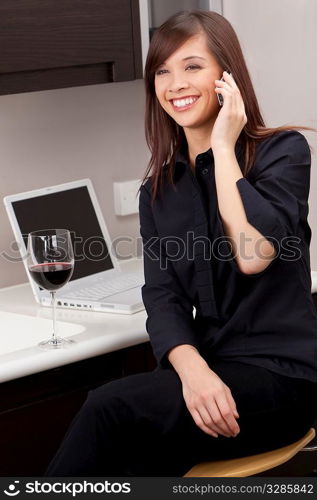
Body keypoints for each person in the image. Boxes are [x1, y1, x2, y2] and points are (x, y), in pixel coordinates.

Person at [44, 10, 317, 477]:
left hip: (282, 379)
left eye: (193, 66)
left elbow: (253, 257)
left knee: (108, 410)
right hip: (209, 375)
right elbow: (163, 296)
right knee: (130, 457)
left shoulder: (284, 151)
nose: (175, 84)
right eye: (163, 71)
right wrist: (194, 372)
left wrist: (224, 149)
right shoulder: (159, 190)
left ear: (226, 77)